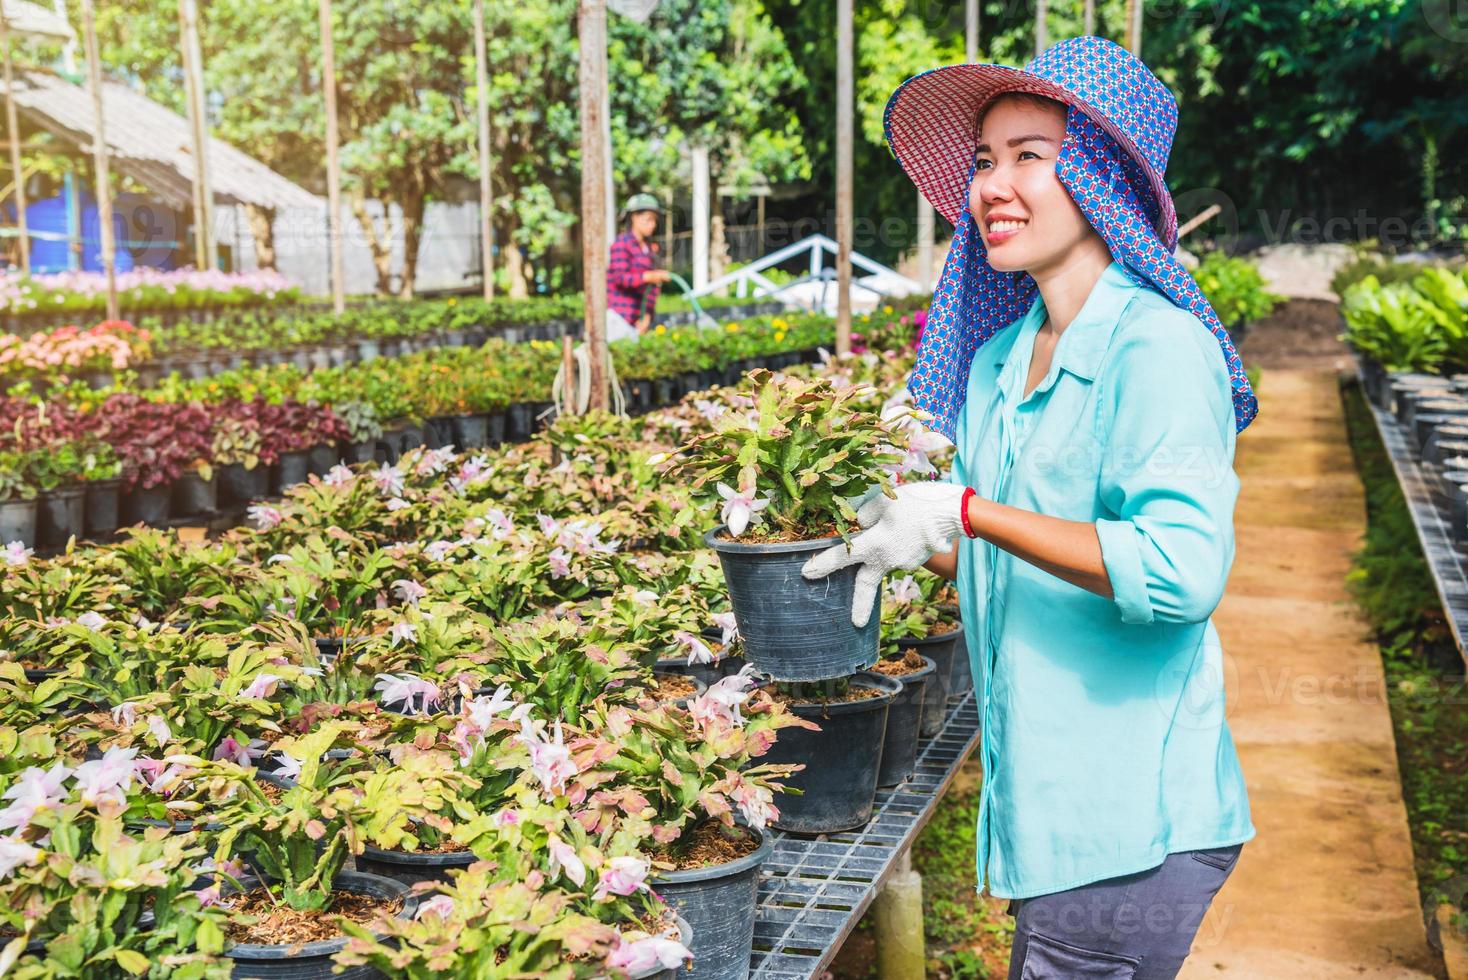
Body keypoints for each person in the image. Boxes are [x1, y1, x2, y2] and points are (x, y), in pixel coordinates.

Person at [802, 36, 1257, 980]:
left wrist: (966, 510)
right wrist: (908, 530)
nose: (992, 185)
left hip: (1130, 823)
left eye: (1029, 157)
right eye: (980, 161)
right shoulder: (1000, 361)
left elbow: (1178, 573)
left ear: (1096, 177)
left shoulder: (1158, 350)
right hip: (1051, 816)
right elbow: (1008, 554)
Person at [608, 193, 671, 341]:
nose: (652, 225)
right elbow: (620, 278)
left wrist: (647, 316)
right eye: (648, 219)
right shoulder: (622, 244)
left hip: (638, 321)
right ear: (634, 217)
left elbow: (651, 290)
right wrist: (650, 276)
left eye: (654, 220)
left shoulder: (649, 249)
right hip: (619, 317)